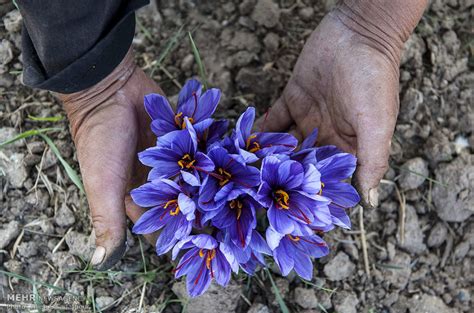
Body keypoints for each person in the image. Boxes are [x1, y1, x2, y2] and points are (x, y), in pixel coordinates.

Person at [15, 0, 428, 270]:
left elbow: (248, 188)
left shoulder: (262, 193)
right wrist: (93, 74)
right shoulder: (220, 179)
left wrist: (378, 19)